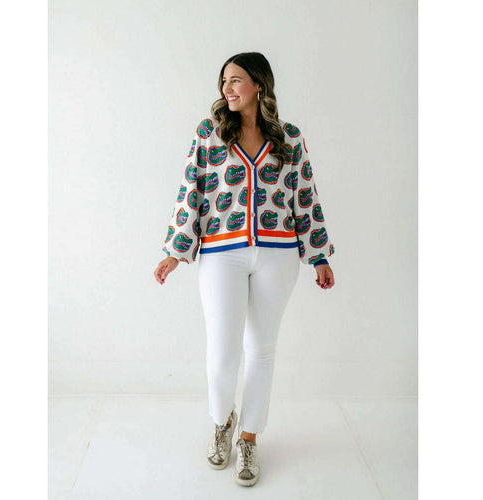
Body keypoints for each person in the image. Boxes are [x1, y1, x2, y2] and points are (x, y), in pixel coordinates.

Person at [154, 52, 335, 487]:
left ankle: (250, 436)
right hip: (221, 252)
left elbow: (304, 196)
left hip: (278, 253)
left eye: (235, 80)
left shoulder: (289, 138)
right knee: (223, 351)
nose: (227, 89)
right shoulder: (210, 133)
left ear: (258, 84)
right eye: (224, 82)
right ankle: (223, 422)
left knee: (262, 350)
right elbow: (191, 190)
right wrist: (176, 251)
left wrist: (318, 255)